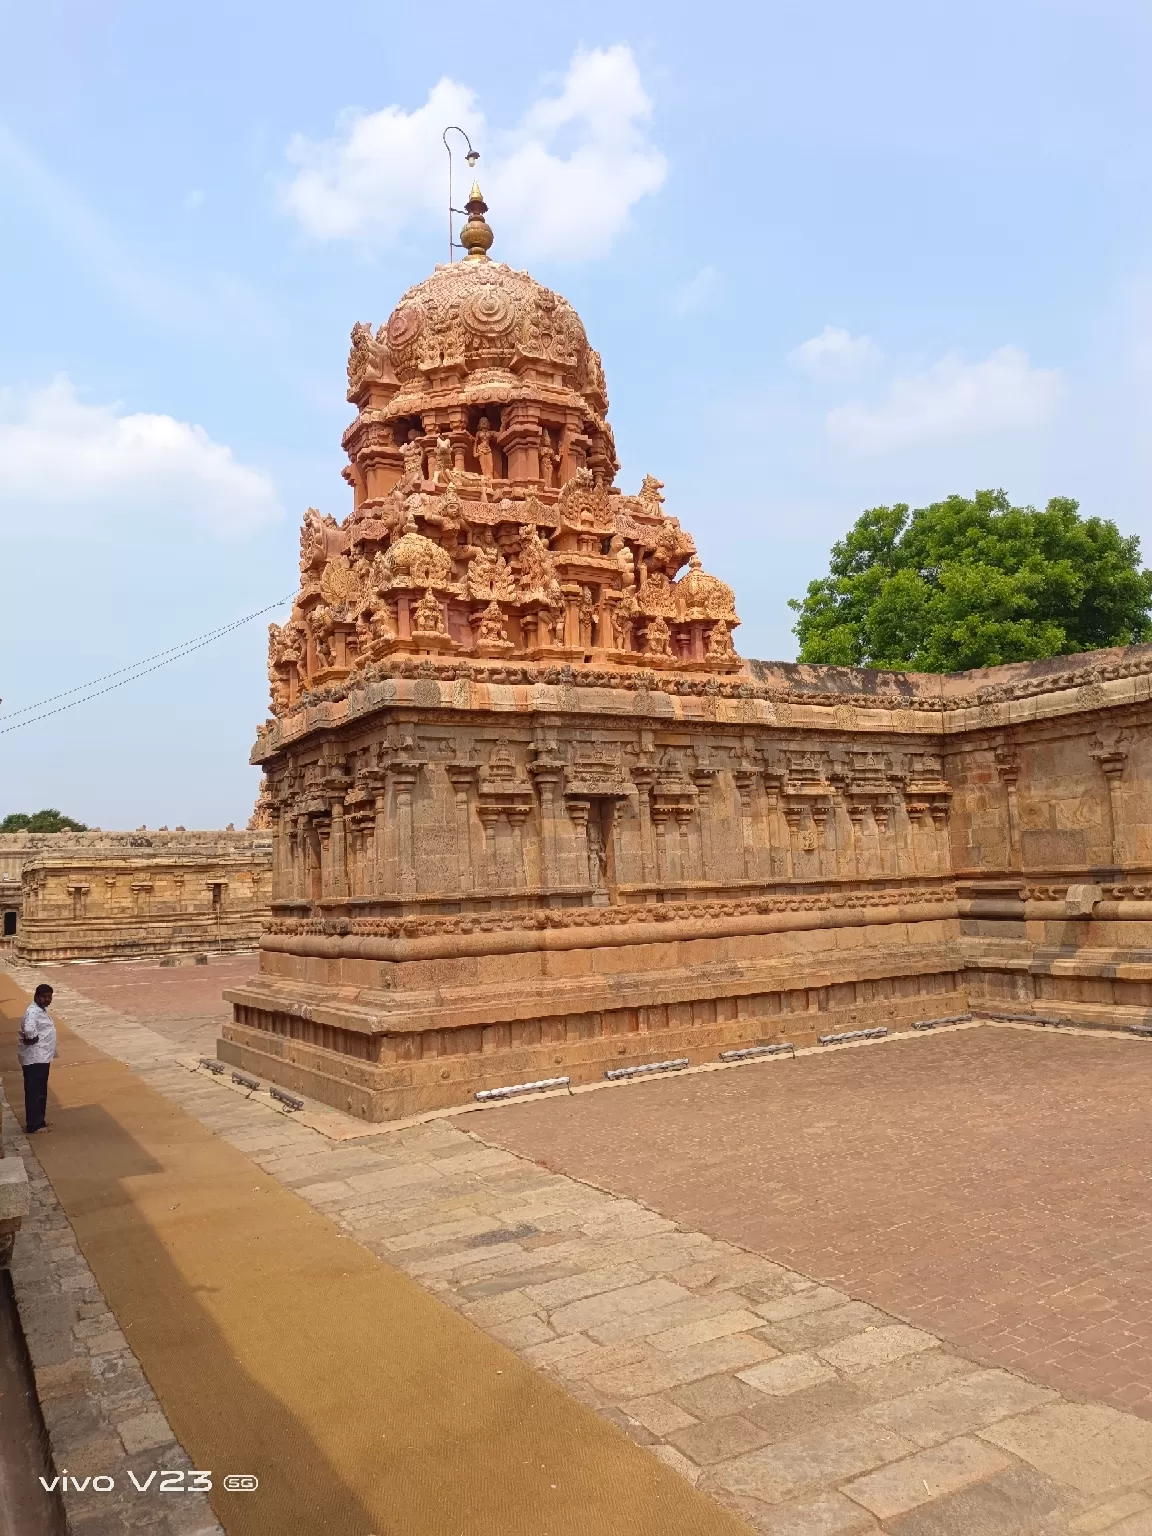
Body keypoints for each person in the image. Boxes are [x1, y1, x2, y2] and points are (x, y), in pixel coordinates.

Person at [18, 983, 57, 1135]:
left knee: (40, 1090)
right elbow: (29, 1030)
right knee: (34, 1091)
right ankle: (34, 1124)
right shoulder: (32, 1012)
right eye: (44, 997)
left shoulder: (40, 1010)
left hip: (41, 1057)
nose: (47, 999)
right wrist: (32, 1038)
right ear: (36, 996)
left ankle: (39, 1120)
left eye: (49, 997)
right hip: (35, 1058)